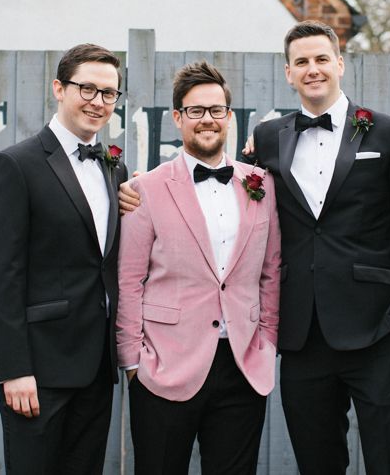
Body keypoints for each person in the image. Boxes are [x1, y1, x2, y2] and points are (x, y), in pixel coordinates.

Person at [252, 20, 390, 474]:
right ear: (288, 73)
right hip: (302, 333)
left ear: (340, 64)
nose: (312, 69)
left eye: (320, 59)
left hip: (380, 330)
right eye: (301, 62)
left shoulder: (389, 133)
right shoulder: (269, 138)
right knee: (317, 462)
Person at [116, 60, 280, 475]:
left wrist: (267, 341)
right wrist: (133, 362)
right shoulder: (145, 189)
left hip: (242, 365)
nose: (206, 119)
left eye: (216, 110)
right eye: (195, 111)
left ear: (229, 116)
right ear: (177, 118)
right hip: (164, 365)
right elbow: (129, 280)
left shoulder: (260, 185)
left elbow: (271, 270)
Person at [0, 43, 128, 474]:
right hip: (39, 371)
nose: (98, 102)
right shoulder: (15, 165)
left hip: (98, 367)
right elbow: (3, 275)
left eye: (108, 93)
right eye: (87, 88)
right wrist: (14, 369)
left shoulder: (113, 167)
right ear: (58, 88)